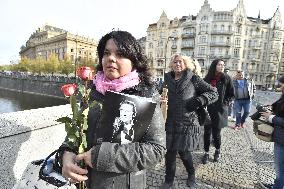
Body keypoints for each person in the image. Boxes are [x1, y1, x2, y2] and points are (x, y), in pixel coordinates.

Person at [60, 30, 166, 189]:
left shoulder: (146, 95)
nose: (111, 58)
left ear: (134, 61)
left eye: (120, 54)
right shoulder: (92, 91)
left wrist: (99, 156)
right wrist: (66, 154)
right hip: (86, 182)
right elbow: (77, 130)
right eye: (106, 53)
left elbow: (156, 149)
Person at [159, 53, 218, 189]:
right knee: (170, 153)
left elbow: (213, 92)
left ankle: (191, 175)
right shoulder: (167, 79)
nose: (177, 64)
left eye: (180, 62)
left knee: (184, 153)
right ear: (171, 65)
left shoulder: (193, 78)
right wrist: (159, 99)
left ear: (185, 64)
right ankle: (168, 181)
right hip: (169, 122)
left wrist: (199, 100)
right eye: (175, 62)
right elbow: (159, 94)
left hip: (187, 123)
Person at [202, 59, 234, 164]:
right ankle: (206, 152)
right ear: (214, 66)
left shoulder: (226, 78)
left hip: (220, 110)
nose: (222, 66)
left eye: (223, 65)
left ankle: (217, 151)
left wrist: (225, 103)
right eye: (219, 64)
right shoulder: (207, 78)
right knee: (207, 133)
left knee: (216, 134)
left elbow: (232, 94)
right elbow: (201, 92)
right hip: (208, 110)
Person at [260, 75, 284, 189]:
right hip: (280, 137)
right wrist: (272, 108)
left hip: (282, 140)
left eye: (281, 84)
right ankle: (277, 185)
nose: (279, 86)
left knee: (280, 167)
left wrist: (271, 118)